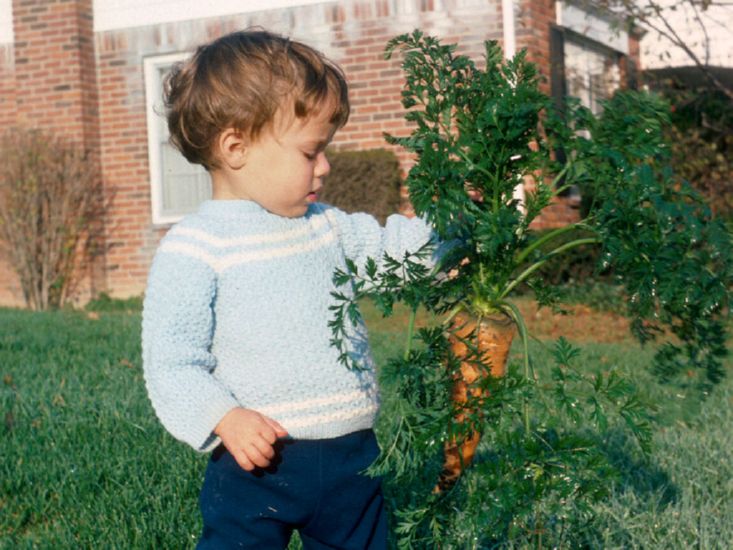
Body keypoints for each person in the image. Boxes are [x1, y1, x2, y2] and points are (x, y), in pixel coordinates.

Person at [142, 29, 439, 549]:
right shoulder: (196, 246)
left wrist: (457, 233)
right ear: (236, 147)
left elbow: (397, 252)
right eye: (310, 151)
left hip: (352, 455)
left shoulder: (327, 227)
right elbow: (172, 361)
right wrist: (224, 418)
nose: (324, 165)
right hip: (256, 463)